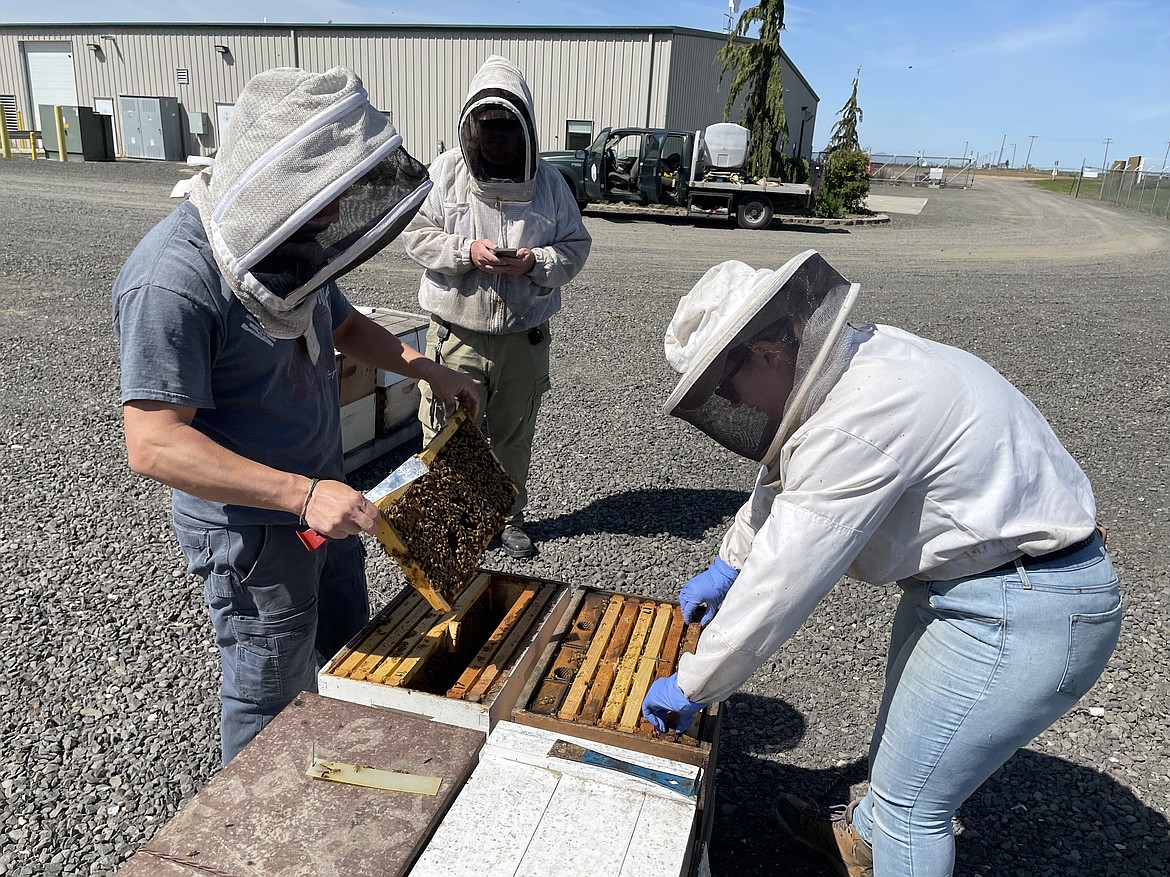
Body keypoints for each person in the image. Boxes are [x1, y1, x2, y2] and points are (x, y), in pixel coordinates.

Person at [641, 251, 1122, 877]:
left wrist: (697, 683)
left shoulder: (859, 420)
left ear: (764, 351)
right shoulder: (861, 363)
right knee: (898, 748)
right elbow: (785, 476)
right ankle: (862, 844)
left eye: (724, 386)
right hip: (980, 587)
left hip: (1022, 607)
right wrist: (729, 562)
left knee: (912, 807)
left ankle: (884, 838)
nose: (736, 403)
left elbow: (786, 580)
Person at [111, 66, 483, 765]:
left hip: (327, 503)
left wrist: (429, 367)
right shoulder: (172, 278)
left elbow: (345, 327)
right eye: (324, 193)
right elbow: (152, 443)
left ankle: (332, 790)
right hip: (252, 536)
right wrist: (301, 495)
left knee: (350, 656)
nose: (332, 211)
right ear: (271, 176)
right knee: (268, 700)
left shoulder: (286, 242)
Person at [401, 54, 592, 559]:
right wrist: (466, 252)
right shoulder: (444, 174)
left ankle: (507, 519)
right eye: (489, 126)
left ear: (526, 127)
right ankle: (451, 519)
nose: (499, 136)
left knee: (513, 431)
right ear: (471, 126)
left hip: (524, 339)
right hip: (455, 335)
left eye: (509, 125)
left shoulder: (550, 184)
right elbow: (416, 237)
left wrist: (534, 261)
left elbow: (575, 247)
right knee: (446, 431)